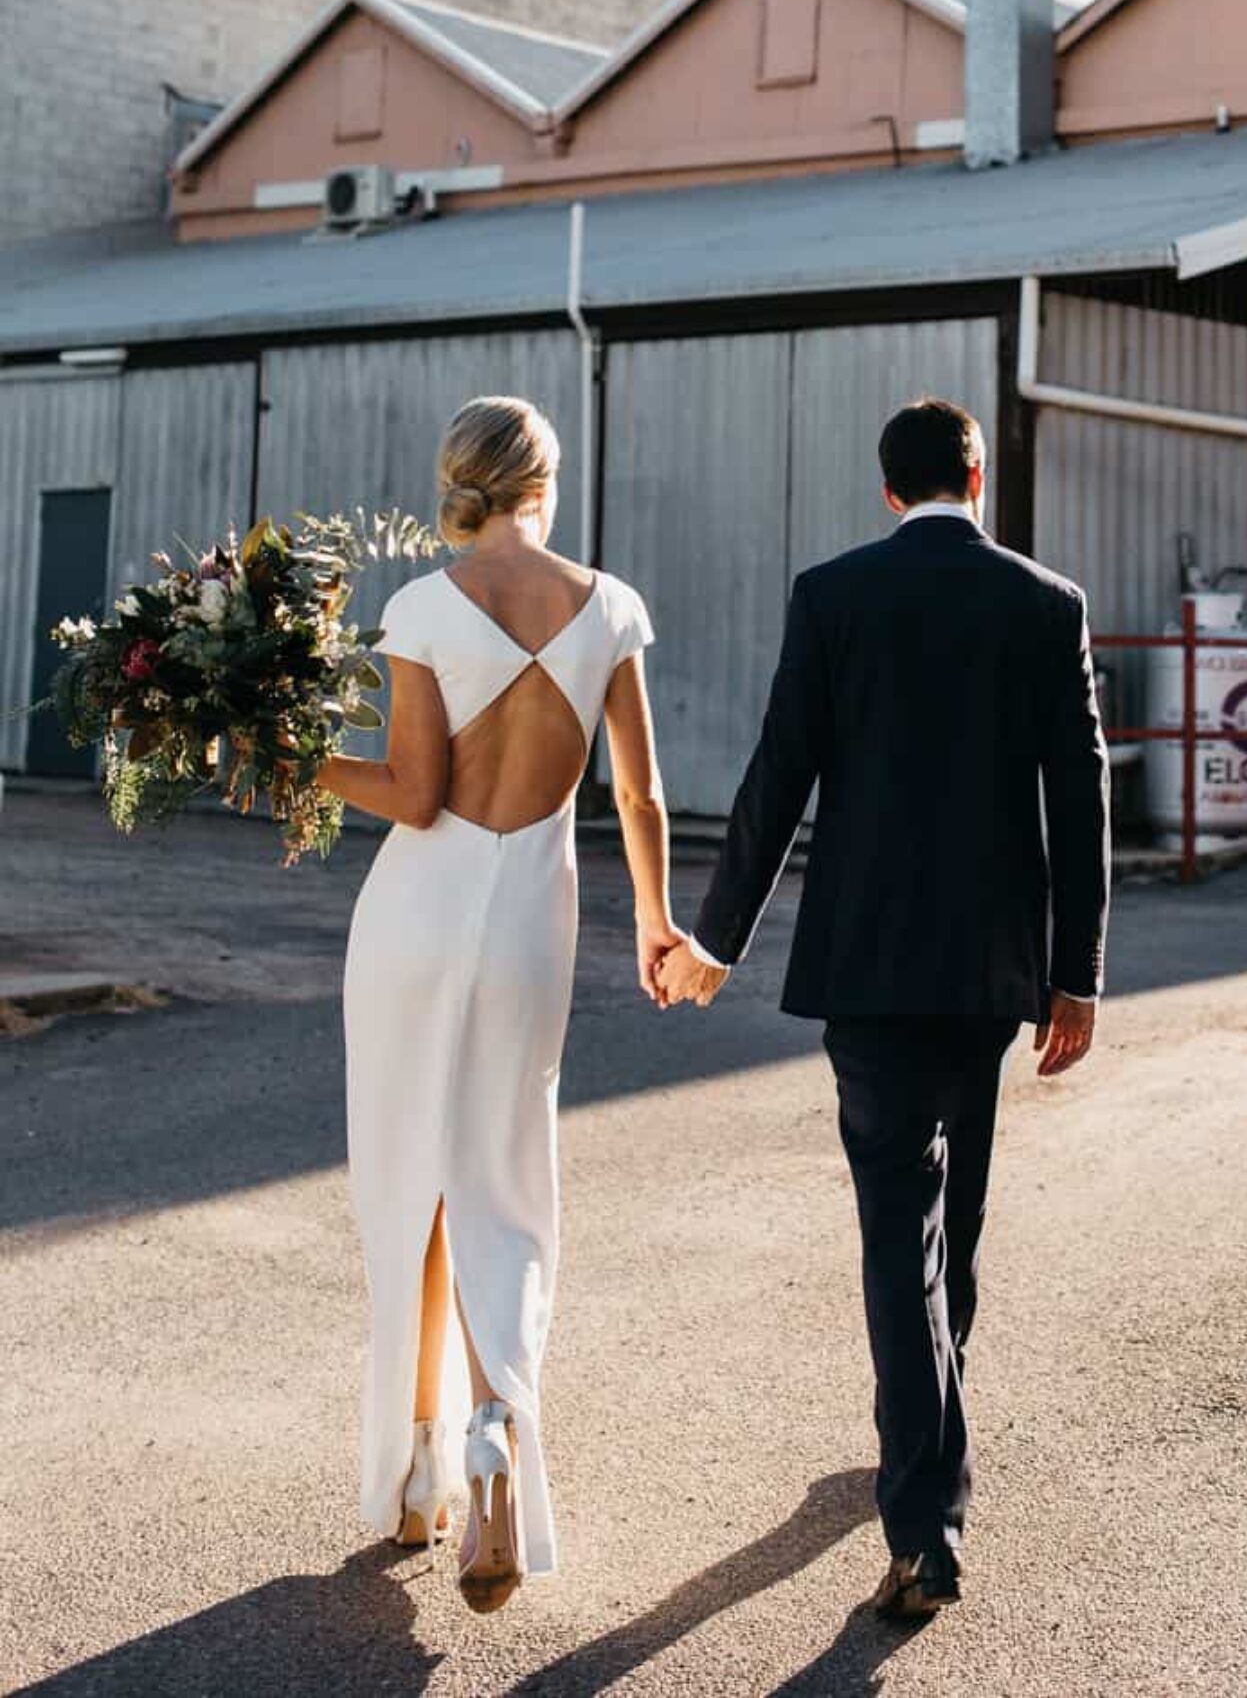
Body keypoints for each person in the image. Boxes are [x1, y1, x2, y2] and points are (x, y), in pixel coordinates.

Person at [656, 396, 1110, 1620]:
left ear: (888, 490)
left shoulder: (833, 595)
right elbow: (1082, 795)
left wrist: (714, 940)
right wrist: (1077, 972)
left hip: (866, 968)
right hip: (988, 978)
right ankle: (926, 1459)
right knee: (948, 1225)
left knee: (902, 1232)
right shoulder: (1044, 602)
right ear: (975, 474)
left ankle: (923, 1518)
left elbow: (777, 774)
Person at [324, 395, 677, 1613]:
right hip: (533, 921)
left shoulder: (421, 608)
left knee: (410, 1185)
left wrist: (295, 758)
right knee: (505, 1183)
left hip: (417, 925)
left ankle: (416, 1477)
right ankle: (490, 1459)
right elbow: (638, 798)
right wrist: (657, 922)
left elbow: (415, 795)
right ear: (545, 479)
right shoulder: (612, 605)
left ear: (459, 479)